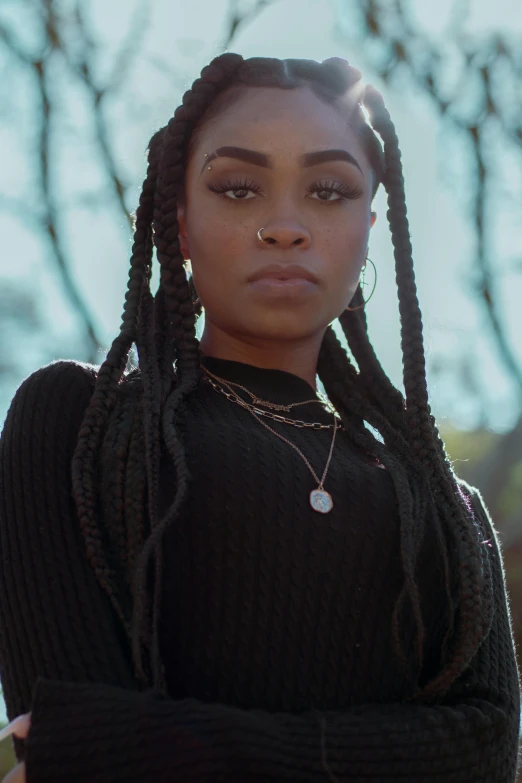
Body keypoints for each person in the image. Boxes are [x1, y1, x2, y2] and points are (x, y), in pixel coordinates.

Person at [0, 52, 520, 783]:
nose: (284, 226)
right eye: (238, 187)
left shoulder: (444, 507)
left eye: (328, 190)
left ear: (369, 228)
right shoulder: (78, 428)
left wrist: (135, 741)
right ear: (177, 225)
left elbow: (487, 750)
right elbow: (61, 746)